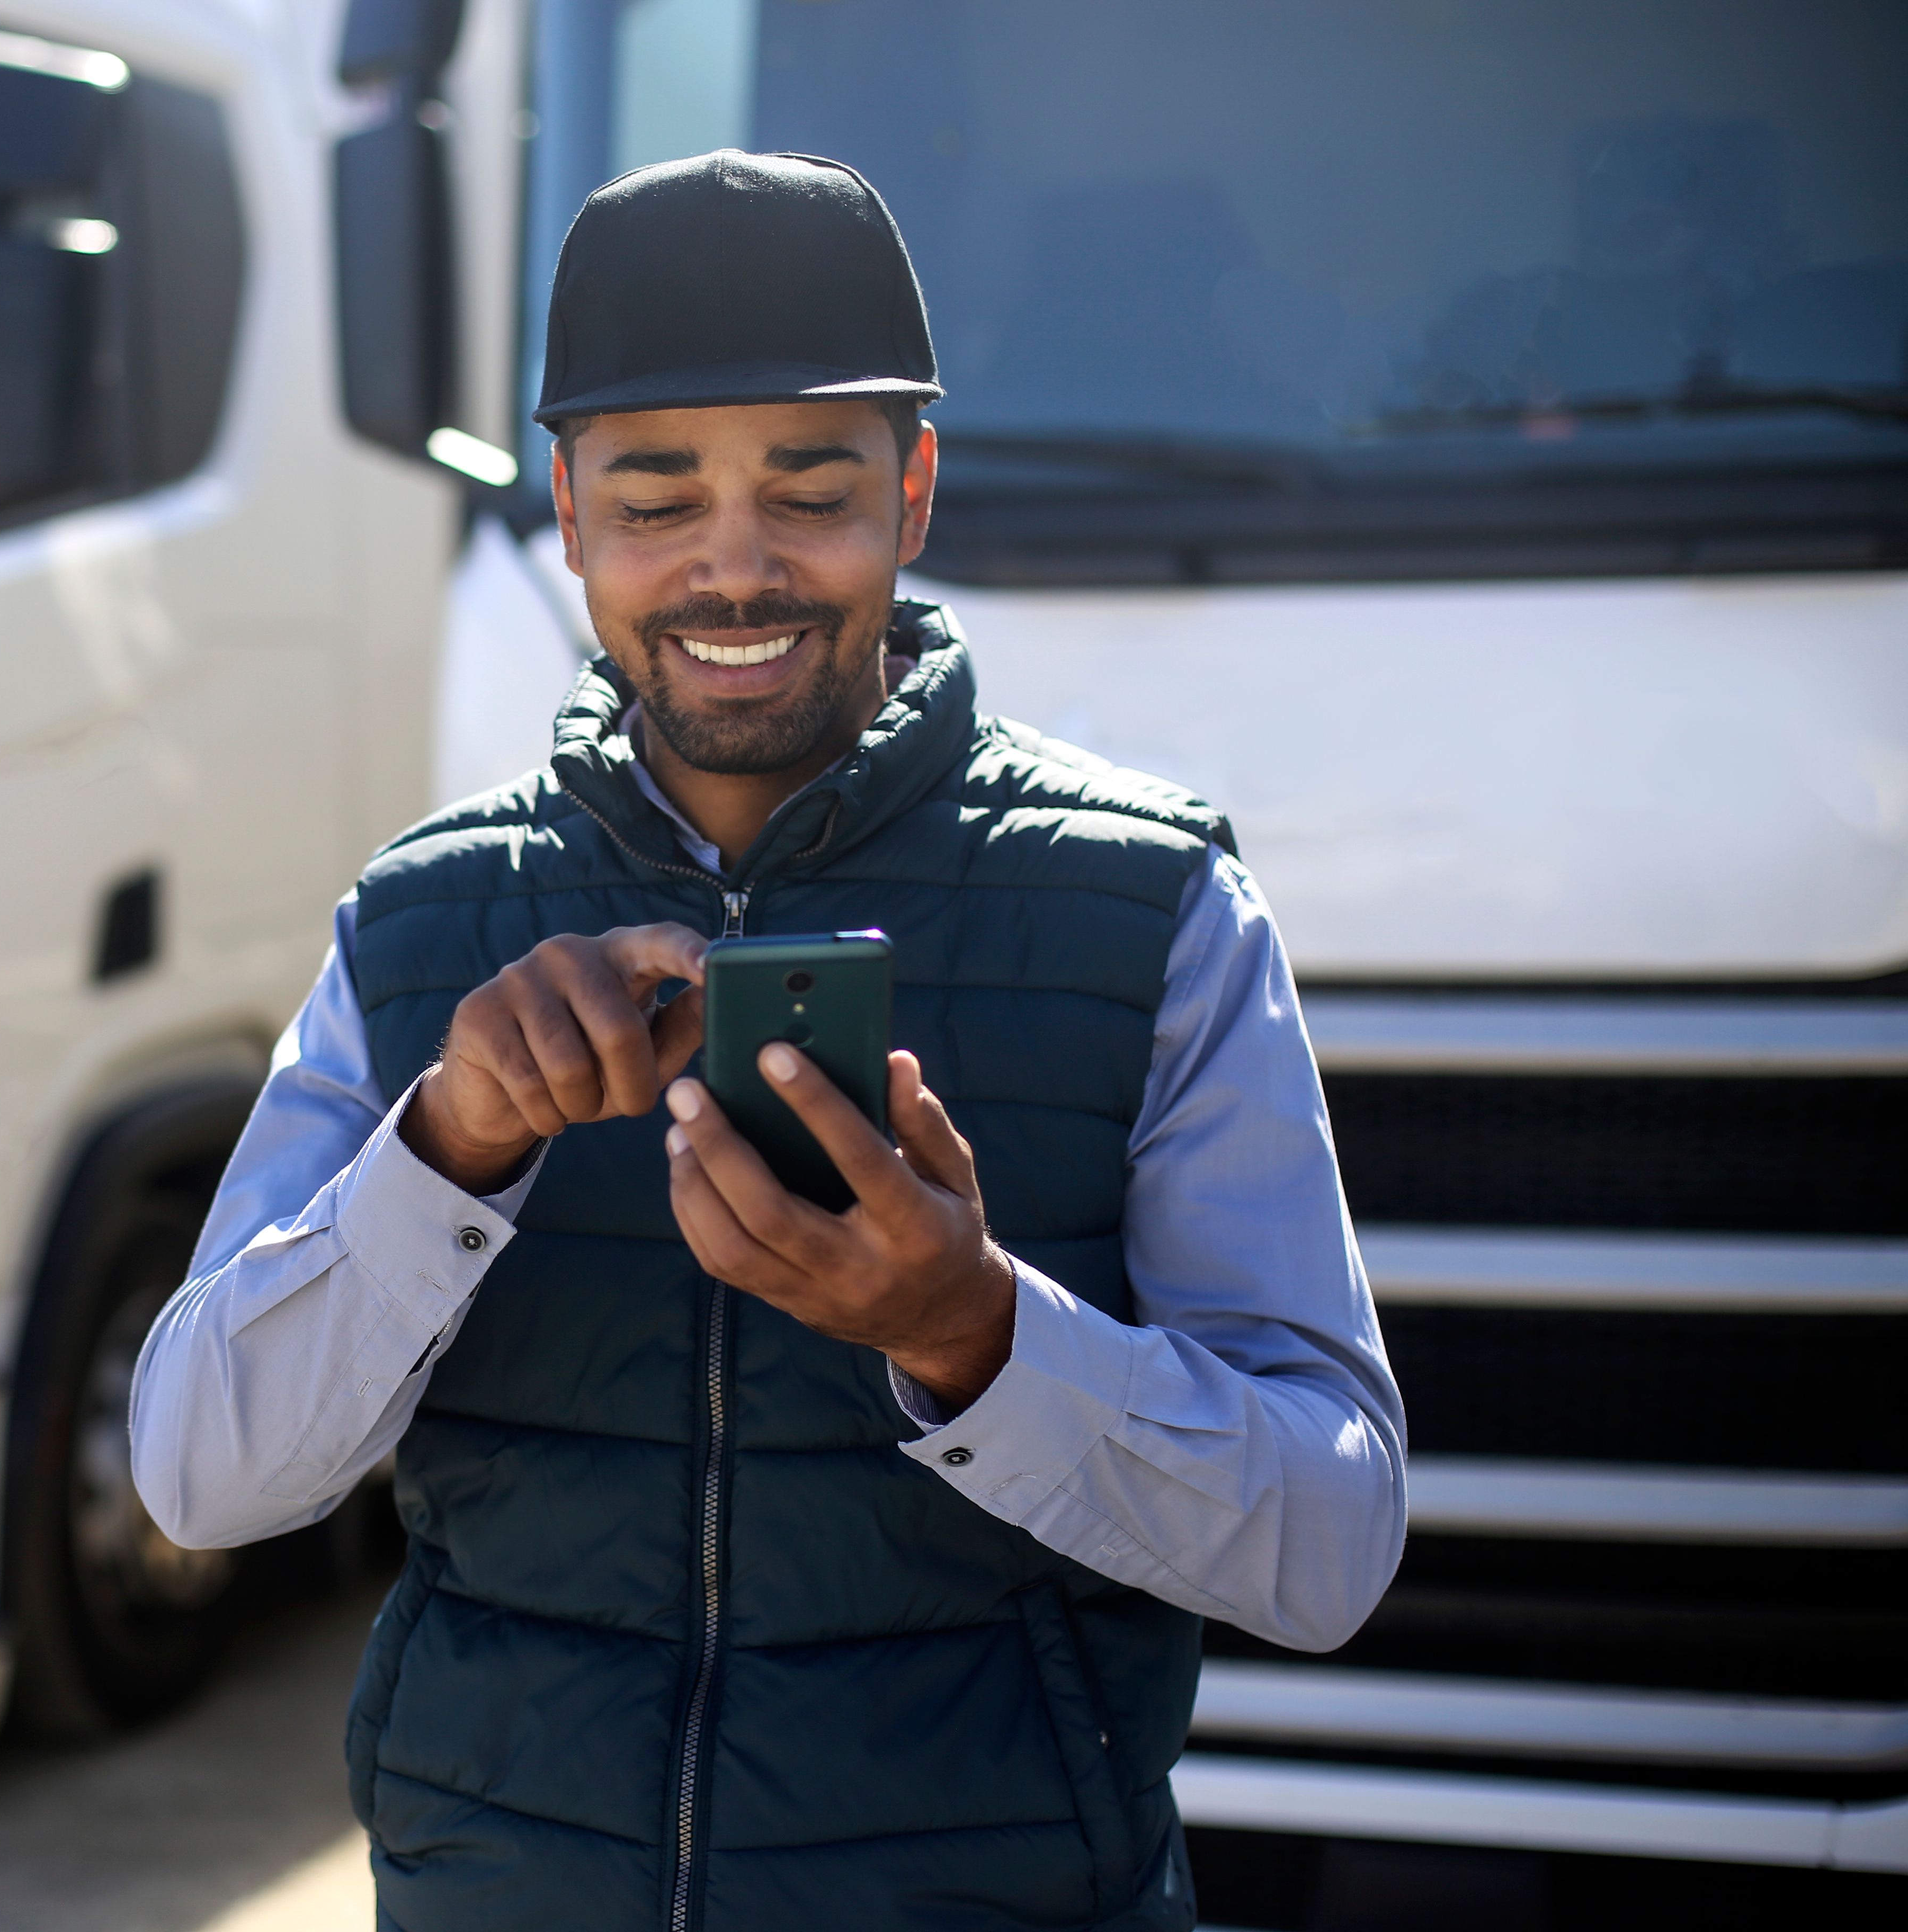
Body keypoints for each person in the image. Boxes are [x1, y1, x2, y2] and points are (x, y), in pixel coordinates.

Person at [130, 149, 1403, 1932]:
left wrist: (970, 1332)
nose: (737, 570)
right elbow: (202, 1475)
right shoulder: (422, 920)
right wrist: (450, 1149)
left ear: (918, 491)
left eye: (810, 489)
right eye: (657, 501)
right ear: (567, 515)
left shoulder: (1157, 911)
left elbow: (1331, 1546)